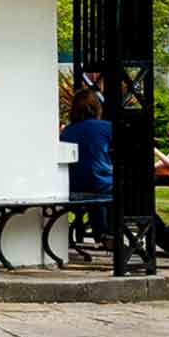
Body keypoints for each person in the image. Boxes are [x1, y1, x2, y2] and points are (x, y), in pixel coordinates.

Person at [60, 92, 113, 241]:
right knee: (134, 195)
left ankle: (102, 232)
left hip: (75, 185)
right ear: (97, 107)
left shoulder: (67, 130)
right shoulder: (106, 127)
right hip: (100, 183)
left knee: (95, 189)